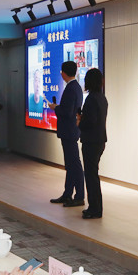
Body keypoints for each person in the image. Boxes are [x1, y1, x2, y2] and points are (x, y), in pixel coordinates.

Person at [46, 61, 85, 206]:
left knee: (74, 164)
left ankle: (79, 196)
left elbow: (67, 112)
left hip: (69, 131)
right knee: (70, 164)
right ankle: (68, 194)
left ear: (64, 73)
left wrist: (55, 108)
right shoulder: (76, 87)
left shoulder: (70, 88)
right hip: (71, 130)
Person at [78, 68, 108, 220]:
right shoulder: (102, 98)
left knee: (90, 176)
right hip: (100, 140)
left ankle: (95, 209)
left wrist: (80, 121)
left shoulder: (90, 99)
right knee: (93, 174)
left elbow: (89, 122)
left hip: (91, 141)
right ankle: (96, 207)